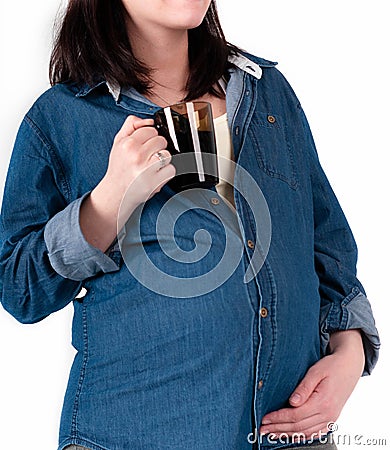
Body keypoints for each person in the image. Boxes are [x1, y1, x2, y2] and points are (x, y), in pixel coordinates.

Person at [0, 1, 380, 449]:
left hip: (293, 435)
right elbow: (20, 289)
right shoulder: (60, 119)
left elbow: (326, 241)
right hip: (132, 436)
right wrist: (106, 203)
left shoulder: (267, 93)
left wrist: (350, 351)